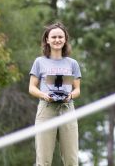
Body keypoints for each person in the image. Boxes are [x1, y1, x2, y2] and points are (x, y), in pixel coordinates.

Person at [29, 22, 81, 166]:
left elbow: (77, 89)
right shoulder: (39, 62)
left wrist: (70, 96)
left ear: (65, 40)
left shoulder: (72, 64)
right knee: (43, 160)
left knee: (71, 159)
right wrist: (43, 95)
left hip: (67, 109)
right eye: (53, 37)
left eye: (60, 37)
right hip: (46, 109)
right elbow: (32, 87)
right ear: (47, 40)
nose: (57, 40)